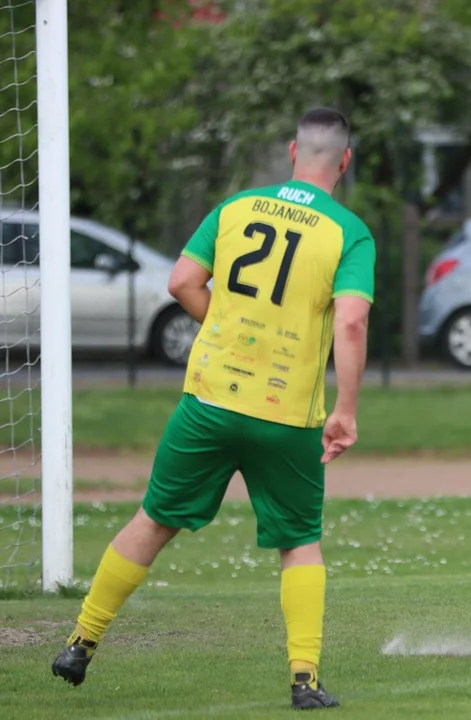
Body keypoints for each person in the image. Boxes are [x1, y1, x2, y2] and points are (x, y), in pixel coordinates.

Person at [50, 107, 375, 710]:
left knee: (153, 519)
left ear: (291, 152)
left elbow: (180, 282)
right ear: (345, 161)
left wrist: (226, 326)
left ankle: (80, 642)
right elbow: (352, 319)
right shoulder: (348, 232)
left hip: (210, 399)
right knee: (299, 539)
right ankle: (304, 679)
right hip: (287, 416)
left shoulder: (235, 209)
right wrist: (347, 409)